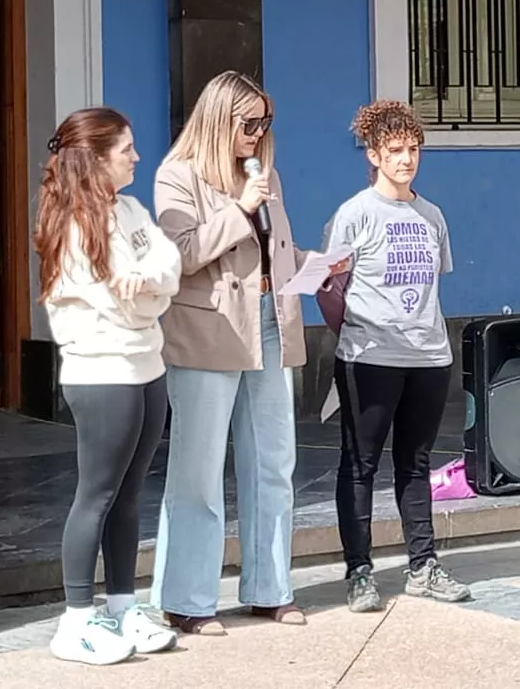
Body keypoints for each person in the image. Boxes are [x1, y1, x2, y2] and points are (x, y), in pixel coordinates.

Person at [151, 71, 322, 633]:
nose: (258, 133)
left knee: (273, 463)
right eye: (249, 123)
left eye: (265, 122)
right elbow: (179, 255)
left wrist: (312, 261)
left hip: (270, 324)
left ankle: (271, 588)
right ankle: (188, 600)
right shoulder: (177, 177)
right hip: (209, 332)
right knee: (198, 472)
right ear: (219, 119)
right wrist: (239, 209)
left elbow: (268, 253)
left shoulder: (262, 175)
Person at [35, 107, 182, 666]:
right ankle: (75, 621)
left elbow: (167, 264)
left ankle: (123, 607)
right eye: (126, 150)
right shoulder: (71, 226)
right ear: (96, 159)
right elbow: (115, 303)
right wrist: (146, 292)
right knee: (95, 494)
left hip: (147, 366)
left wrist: (148, 284)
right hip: (103, 372)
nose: (136, 158)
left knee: (127, 494)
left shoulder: (131, 210)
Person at [322, 100, 472, 612]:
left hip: (428, 357)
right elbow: (330, 287)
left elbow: (433, 283)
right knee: (360, 463)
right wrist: (356, 338)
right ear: (373, 154)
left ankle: (423, 565)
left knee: (416, 463)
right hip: (368, 357)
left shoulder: (431, 216)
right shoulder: (354, 215)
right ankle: (359, 571)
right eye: (395, 150)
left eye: (413, 149)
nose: (406, 159)